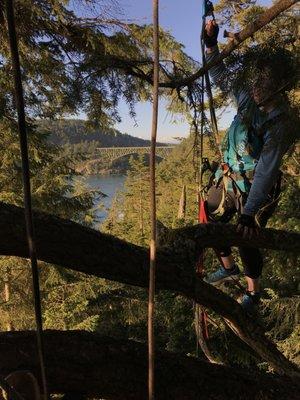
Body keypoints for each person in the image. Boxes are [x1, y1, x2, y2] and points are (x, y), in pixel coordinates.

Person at [202, 20, 299, 313]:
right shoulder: (248, 100)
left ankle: (253, 293)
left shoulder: (279, 122)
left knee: (247, 238)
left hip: (257, 187)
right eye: (256, 81)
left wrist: (247, 213)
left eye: (264, 83)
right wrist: (210, 45)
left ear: (279, 86)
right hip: (231, 177)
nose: (256, 87)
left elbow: (268, 169)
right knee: (211, 213)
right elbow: (219, 74)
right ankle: (228, 268)